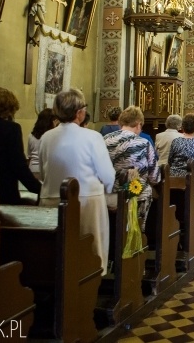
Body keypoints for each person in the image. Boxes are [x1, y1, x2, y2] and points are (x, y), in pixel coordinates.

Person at [39, 89, 115, 274]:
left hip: (52, 200)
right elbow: (107, 174)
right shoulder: (92, 137)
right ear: (79, 112)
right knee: (90, 253)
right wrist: (109, 190)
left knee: (59, 251)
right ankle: (88, 287)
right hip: (87, 202)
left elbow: (43, 171)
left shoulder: (47, 137)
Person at [0, 87, 42, 205]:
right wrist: (40, 189)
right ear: (9, 109)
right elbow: (18, 165)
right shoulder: (11, 129)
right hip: (6, 191)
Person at [103, 106, 160, 232]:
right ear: (139, 124)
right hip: (134, 196)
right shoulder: (144, 143)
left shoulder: (105, 139)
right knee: (147, 190)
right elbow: (154, 177)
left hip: (108, 194)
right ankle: (139, 233)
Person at [28, 108, 57, 177]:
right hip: (45, 168)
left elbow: (29, 155)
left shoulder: (31, 136)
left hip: (32, 168)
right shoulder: (50, 136)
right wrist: (55, 128)